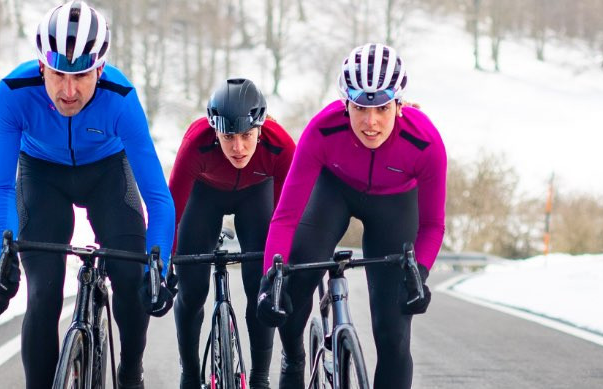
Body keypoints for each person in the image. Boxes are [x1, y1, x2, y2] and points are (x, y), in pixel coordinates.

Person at [0, 2, 176, 389]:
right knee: (43, 293)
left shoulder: (120, 98)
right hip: (41, 176)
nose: (68, 91)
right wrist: (3, 255)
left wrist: (160, 266)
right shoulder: (12, 94)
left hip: (106, 174)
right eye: (57, 74)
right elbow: (0, 186)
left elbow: (158, 197)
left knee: (131, 274)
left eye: (82, 75)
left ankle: (131, 371)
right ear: (41, 67)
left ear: (100, 70)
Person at [257, 43, 445, 389]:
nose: (370, 122)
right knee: (295, 283)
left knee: (394, 334)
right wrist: (273, 273)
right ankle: (294, 357)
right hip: (334, 193)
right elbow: (285, 216)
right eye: (360, 107)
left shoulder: (426, 142)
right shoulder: (322, 130)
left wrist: (418, 271)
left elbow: (433, 225)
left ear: (398, 105)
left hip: (395, 205)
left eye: (382, 108)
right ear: (346, 104)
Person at [167, 78, 295, 389]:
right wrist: (164, 264)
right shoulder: (196, 143)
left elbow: (288, 216)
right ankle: (189, 373)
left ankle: (260, 377)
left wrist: (280, 268)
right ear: (214, 131)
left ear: (261, 129)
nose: (238, 148)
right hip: (205, 194)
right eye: (228, 136)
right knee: (192, 288)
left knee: (260, 287)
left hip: (256, 195)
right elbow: (171, 211)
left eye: (247, 136)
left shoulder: (281, 145)